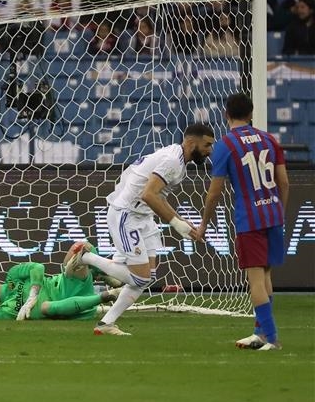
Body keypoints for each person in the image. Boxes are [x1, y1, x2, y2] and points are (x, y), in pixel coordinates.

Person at [66, 123, 216, 336]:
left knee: (147, 276)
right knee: (140, 278)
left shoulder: (178, 160)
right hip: (127, 215)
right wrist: (176, 224)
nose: (210, 150)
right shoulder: (173, 161)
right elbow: (148, 194)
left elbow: (158, 196)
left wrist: (182, 221)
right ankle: (85, 257)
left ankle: (106, 323)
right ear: (192, 142)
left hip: (143, 217)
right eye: (207, 145)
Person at [196, 93, 289, 351]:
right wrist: (279, 212)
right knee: (265, 274)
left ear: (226, 114)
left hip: (250, 219)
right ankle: (260, 333)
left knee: (255, 280)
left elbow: (214, 192)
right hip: (273, 214)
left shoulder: (225, 145)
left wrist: (204, 223)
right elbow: (284, 182)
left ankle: (271, 338)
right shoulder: (269, 139)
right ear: (251, 113)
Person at [0, 242, 122, 322]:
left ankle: (100, 273)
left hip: (65, 283)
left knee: (80, 247)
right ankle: (107, 295)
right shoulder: (6, 310)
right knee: (45, 307)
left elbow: (38, 267)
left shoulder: (13, 275)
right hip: (73, 308)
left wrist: (33, 295)